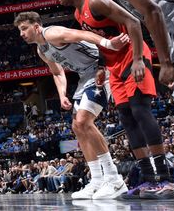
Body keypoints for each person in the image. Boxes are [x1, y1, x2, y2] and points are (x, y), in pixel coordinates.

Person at [57, 0, 174, 199]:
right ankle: (148, 180)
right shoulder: (78, 13)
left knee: (140, 111)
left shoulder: (95, 1)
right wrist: (103, 66)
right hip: (113, 66)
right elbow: (103, 42)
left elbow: (133, 22)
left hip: (133, 57)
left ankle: (166, 179)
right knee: (127, 118)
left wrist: (138, 60)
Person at [14, 11, 127, 199]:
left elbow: (82, 34)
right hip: (84, 78)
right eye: (19, 30)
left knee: (83, 121)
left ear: (36, 26)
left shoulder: (52, 33)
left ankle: (115, 180)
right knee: (77, 127)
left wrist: (108, 44)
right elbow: (57, 73)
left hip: (100, 69)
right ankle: (97, 180)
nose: (21, 33)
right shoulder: (42, 50)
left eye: (24, 28)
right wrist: (62, 95)